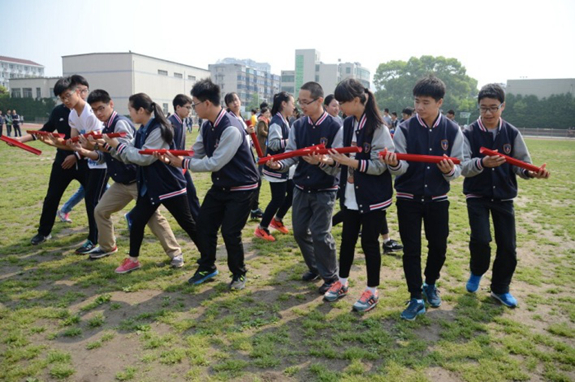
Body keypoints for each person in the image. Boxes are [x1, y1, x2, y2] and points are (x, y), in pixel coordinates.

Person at [161, 79, 259, 290]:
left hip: (243, 187)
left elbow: (215, 162)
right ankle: (207, 267)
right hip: (222, 185)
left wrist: (183, 163)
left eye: (194, 104)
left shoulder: (231, 127)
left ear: (206, 103)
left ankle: (239, 273)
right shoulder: (207, 125)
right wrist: (170, 155)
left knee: (230, 232)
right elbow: (195, 152)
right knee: (204, 224)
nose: (192, 109)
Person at [381, 75, 464, 321]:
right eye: (417, 101)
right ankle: (416, 296)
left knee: (439, 246)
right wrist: (395, 165)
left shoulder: (453, 129)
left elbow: (459, 167)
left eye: (425, 102)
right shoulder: (405, 128)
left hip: (438, 198)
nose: (419, 107)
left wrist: (450, 170)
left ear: (439, 102)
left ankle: (430, 283)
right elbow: (400, 167)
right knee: (412, 249)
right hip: (408, 198)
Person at [461, 83, 550, 307]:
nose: (488, 113)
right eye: (483, 108)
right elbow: (463, 166)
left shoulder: (512, 133)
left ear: (503, 106)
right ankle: (477, 271)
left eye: (493, 107)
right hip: (477, 195)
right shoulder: (469, 132)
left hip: (503, 196)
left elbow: (522, 164)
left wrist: (531, 172)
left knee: (508, 247)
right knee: (481, 240)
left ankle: (500, 289)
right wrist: (482, 162)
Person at [74, 89, 183, 266]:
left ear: (111, 104)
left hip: (136, 180)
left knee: (153, 218)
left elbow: (129, 153)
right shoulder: (106, 127)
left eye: (101, 108)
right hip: (120, 182)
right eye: (94, 110)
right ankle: (107, 246)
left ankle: (175, 253)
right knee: (100, 210)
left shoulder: (120, 125)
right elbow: (108, 156)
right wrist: (88, 151)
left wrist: (109, 147)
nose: (98, 113)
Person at [102, 93, 200, 274]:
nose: (129, 113)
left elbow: (142, 157)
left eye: (131, 109)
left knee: (187, 223)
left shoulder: (159, 129)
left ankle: (207, 255)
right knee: (137, 220)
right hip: (151, 186)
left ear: (141, 110)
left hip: (169, 185)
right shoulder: (142, 129)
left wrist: (117, 145)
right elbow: (131, 152)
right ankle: (133, 260)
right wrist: (109, 147)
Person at [321, 78, 394, 312]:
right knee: (348, 239)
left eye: (342, 102)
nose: (339, 106)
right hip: (350, 194)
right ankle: (341, 283)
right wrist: (325, 161)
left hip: (373, 196)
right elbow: (336, 156)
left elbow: (379, 166)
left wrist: (349, 161)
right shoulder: (347, 125)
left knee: (369, 243)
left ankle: (372, 291)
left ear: (356, 100)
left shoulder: (379, 128)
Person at [266, 81, 342, 294]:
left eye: (305, 102)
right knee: (300, 232)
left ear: (320, 101)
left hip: (325, 189)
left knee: (320, 234)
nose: (301, 106)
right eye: (299, 102)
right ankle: (315, 268)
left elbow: (338, 164)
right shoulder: (298, 125)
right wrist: (279, 164)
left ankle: (331, 277)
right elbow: (291, 155)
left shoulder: (336, 126)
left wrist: (320, 161)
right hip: (301, 186)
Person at [14, 76, 92, 247]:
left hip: (86, 162)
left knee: (94, 200)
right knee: (51, 198)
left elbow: (92, 142)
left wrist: (77, 156)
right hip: (63, 163)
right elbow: (44, 131)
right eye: (62, 97)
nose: (66, 100)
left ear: (78, 92)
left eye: (67, 95)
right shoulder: (58, 112)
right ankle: (43, 232)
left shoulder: (89, 112)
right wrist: (21, 139)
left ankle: (96, 234)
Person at [255, 91, 296, 241]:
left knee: (292, 194)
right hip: (275, 167)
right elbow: (273, 143)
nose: (294, 106)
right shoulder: (276, 122)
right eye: (292, 103)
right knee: (277, 199)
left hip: (285, 167)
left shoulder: (285, 120)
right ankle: (262, 228)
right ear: (283, 104)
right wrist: (291, 142)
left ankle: (277, 220)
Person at [169, 94, 201, 221]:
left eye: (190, 107)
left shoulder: (181, 121)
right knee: (162, 198)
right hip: (172, 166)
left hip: (180, 164)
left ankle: (198, 220)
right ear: (178, 107)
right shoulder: (171, 124)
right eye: (187, 107)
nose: (190, 110)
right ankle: (134, 216)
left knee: (190, 193)